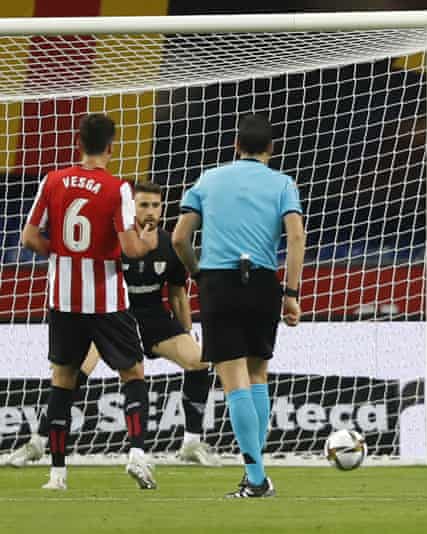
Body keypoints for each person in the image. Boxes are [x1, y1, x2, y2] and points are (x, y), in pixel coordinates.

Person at [7, 182, 220, 467]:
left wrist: (187, 331)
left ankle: (191, 442)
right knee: (72, 375)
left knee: (199, 361)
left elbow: (178, 295)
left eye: (155, 206)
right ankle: (38, 442)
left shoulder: (171, 244)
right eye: (143, 205)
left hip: (153, 319)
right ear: (131, 208)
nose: (150, 212)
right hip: (112, 316)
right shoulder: (116, 241)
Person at [20, 113, 158, 490]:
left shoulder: (53, 180)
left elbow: (28, 237)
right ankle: (136, 453)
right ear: (111, 147)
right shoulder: (117, 188)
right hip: (106, 300)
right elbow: (130, 249)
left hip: (63, 299)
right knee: (133, 374)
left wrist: (62, 253)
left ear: (78, 143)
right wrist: (147, 240)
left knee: (62, 381)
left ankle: (57, 474)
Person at [172, 114, 305, 498]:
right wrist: (291, 294)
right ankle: (255, 473)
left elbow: (179, 238)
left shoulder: (209, 179)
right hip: (263, 282)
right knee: (258, 375)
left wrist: (198, 273)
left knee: (233, 381)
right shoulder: (283, 183)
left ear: (235, 145)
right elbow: (296, 237)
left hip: (219, 283)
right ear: (271, 149)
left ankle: (257, 479)